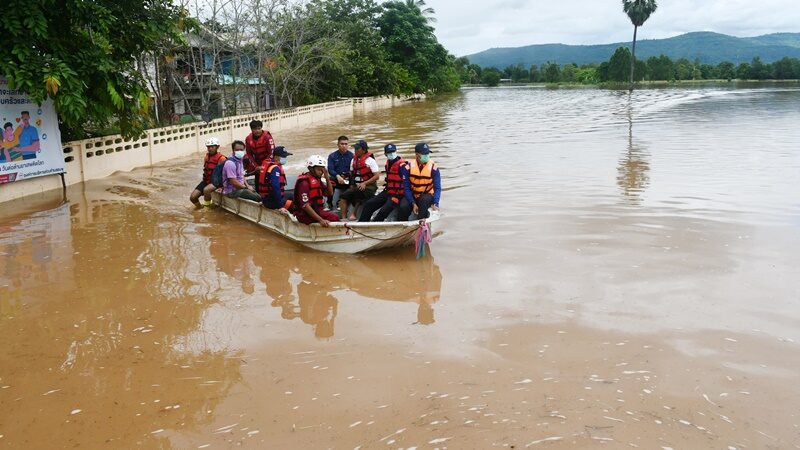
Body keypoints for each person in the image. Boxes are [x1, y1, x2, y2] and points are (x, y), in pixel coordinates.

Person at [358, 143, 408, 222]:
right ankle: (362, 223)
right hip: (388, 192)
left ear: (396, 151)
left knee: (384, 210)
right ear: (385, 154)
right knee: (369, 204)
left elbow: (407, 183)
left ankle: (375, 224)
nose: (391, 154)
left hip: (398, 194)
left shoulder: (403, 166)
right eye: (389, 152)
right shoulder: (387, 164)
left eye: (393, 152)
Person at [291, 155, 340, 226]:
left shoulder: (317, 180)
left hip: (317, 210)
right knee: (334, 217)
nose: (321, 172)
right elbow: (305, 205)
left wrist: (327, 178)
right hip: (304, 214)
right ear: (311, 168)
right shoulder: (304, 183)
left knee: (334, 216)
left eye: (322, 170)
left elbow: (330, 193)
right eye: (319, 170)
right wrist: (320, 220)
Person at [397, 143, 441, 221]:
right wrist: (413, 203)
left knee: (424, 200)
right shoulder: (408, 168)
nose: (426, 156)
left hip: (427, 195)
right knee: (403, 206)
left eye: (427, 153)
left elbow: (437, 188)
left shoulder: (434, 169)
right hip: (413, 194)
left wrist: (436, 203)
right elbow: (406, 188)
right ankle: (402, 223)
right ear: (417, 155)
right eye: (424, 154)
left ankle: (421, 222)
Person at [337, 140, 379, 221]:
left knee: (359, 192)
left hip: (370, 186)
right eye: (355, 149)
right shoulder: (353, 160)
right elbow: (352, 173)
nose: (355, 151)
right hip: (357, 185)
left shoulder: (370, 161)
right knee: (343, 196)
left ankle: (354, 213)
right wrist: (346, 178)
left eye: (357, 149)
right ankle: (344, 218)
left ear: (364, 150)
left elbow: (377, 176)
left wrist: (364, 183)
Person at [190, 137, 227, 208]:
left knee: (206, 190)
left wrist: (223, 186)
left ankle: (207, 209)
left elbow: (225, 173)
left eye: (212, 147)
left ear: (217, 147)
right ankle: (200, 207)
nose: (210, 148)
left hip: (217, 182)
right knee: (193, 197)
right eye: (208, 147)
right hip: (206, 181)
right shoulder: (206, 157)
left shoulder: (222, 158)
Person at [256, 145, 293, 214]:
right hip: (272, 202)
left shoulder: (269, 165)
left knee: (292, 195)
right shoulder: (275, 169)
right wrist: (281, 206)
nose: (285, 158)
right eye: (283, 156)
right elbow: (276, 187)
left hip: (266, 199)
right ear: (275, 157)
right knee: (295, 204)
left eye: (285, 156)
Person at [326, 135, 353, 209]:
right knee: (330, 180)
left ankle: (342, 201)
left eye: (346, 144)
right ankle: (329, 203)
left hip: (348, 179)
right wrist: (337, 176)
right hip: (336, 179)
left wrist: (346, 176)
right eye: (342, 144)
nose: (344, 146)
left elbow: (354, 170)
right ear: (338, 145)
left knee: (354, 181)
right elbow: (330, 169)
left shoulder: (352, 156)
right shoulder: (332, 156)